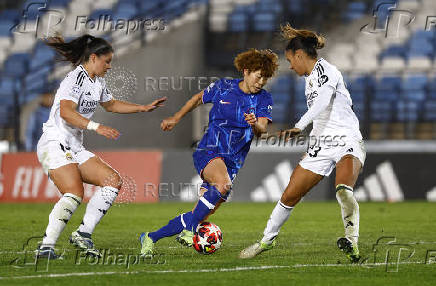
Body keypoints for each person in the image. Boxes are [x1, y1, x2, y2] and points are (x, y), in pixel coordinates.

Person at [239, 24, 366, 263]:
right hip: (322, 144)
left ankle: (352, 241)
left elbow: (322, 103)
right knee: (289, 195)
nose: (290, 66)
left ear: (299, 55)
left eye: (290, 60)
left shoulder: (327, 71)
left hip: (346, 138)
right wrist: (311, 148)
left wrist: (299, 125)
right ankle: (266, 240)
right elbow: (321, 117)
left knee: (343, 190)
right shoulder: (309, 81)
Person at [35, 34, 166, 259]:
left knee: (112, 181)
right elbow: (66, 112)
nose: (110, 66)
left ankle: (83, 234)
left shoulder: (98, 82)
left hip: (74, 146)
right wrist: (96, 127)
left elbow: (112, 104)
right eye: (107, 61)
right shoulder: (75, 79)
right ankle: (46, 246)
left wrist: (142, 108)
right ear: (93, 58)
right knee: (74, 192)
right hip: (54, 142)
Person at [139, 49, 279, 256]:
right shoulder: (224, 87)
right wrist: (176, 118)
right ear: (246, 71)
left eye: (266, 78)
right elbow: (197, 99)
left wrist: (254, 125)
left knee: (201, 213)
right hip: (209, 149)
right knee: (221, 186)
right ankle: (188, 231)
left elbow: (262, 129)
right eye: (259, 76)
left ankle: (150, 237)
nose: (261, 82)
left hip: (233, 162)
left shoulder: (264, 99)